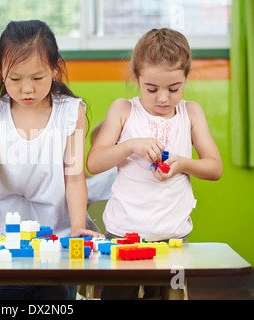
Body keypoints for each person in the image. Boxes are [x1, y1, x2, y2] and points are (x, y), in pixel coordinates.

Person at [0, 20, 101, 299]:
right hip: (12, 239)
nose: (27, 89)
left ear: (56, 67)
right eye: (15, 79)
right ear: (0, 68)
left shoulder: (70, 112)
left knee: (54, 297)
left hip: (62, 237)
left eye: (37, 78)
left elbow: (75, 176)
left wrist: (79, 226)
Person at [86, 28, 223, 299]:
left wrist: (183, 163)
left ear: (186, 77)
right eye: (152, 89)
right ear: (137, 78)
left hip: (173, 237)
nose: (163, 98)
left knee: (168, 295)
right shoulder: (123, 109)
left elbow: (214, 167)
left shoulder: (191, 112)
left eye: (174, 88)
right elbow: (93, 162)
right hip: (123, 235)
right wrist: (131, 145)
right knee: (118, 296)